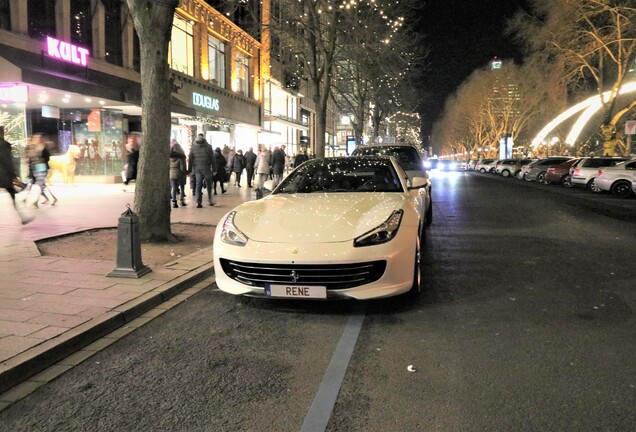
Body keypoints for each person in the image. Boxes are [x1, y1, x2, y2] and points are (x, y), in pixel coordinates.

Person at [0, 126, 33, 224]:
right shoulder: (3, 145)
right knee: (12, 193)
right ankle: (22, 217)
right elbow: (6, 161)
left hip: (3, 174)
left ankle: (22, 217)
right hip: (3, 174)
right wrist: (13, 174)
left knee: (12, 193)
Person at [25, 134, 57, 207]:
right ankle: (53, 198)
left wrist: (40, 158)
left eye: (37, 138)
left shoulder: (43, 147)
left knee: (39, 184)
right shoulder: (33, 147)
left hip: (42, 167)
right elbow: (30, 157)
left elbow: (47, 157)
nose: (35, 140)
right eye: (35, 138)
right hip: (36, 167)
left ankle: (36, 201)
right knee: (42, 185)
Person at [188, 133, 216, 208]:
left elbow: (190, 159)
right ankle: (210, 200)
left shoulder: (193, 147)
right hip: (206, 168)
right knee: (209, 185)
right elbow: (212, 159)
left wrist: (189, 170)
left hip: (197, 169)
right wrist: (214, 169)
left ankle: (198, 202)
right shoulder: (208, 147)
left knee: (198, 185)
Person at [169, 139, 187, 208]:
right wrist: (184, 172)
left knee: (173, 188)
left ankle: (174, 202)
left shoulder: (169, 157)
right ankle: (182, 201)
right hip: (179, 174)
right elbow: (182, 167)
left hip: (171, 174)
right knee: (182, 188)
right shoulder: (181, 157)